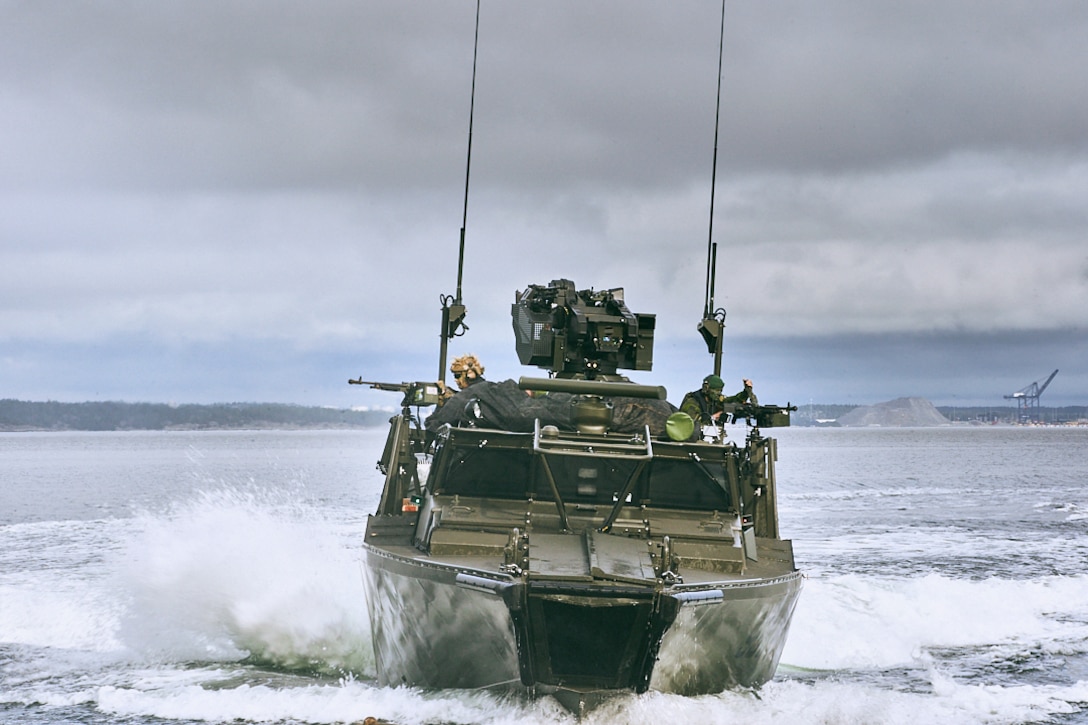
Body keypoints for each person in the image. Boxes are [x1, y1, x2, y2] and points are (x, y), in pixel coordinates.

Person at [680, 375, 758, 426]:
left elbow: (733, 400)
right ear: (706, 389)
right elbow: (689, 426)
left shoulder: (715, 401)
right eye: (716, 391)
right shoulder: (692, 403)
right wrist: (712, 418)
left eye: (720, 391)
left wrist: (746, 391)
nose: (718, 394)